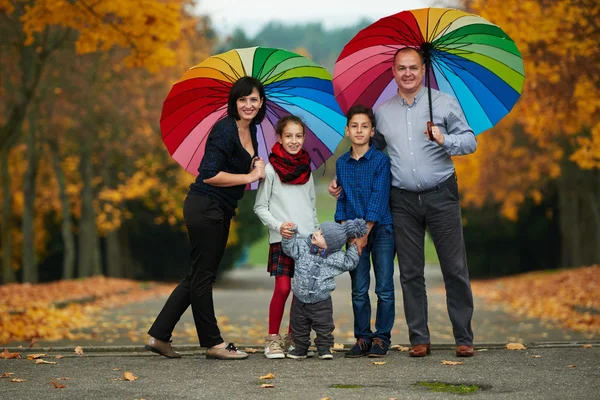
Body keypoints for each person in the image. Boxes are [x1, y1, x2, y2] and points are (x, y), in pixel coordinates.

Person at [329, 47, 478, 358]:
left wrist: (444, 139)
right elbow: (369, 157)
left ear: (423, 70)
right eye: (401, 68)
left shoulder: (443, 104)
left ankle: (463, 337)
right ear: (393, 72)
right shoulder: (382, 113)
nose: (407, 73)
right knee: (410, 272)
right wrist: (343, 184)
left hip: (442, 194)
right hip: (402, 199)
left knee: (455, 268)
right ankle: (419, 338)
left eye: (413, 67)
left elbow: (470, 141)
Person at [145, 76, 267, 360]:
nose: (248, 105)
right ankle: (213, 344)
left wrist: (255, 162)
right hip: (205, 206)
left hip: (220, 209)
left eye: (253, 99)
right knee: (204, 277)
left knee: (196, 275)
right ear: (234, 102)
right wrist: (249, 175)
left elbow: (240, 163)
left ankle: (158, 336)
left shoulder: (253, 129)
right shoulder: (225, 129)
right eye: (242, 99)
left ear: (261, 102)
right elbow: (210, 173)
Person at [253, 115, 319, 359]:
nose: (294, 141)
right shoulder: (270, 171)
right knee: (282, 288)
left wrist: (316, 235)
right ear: (279, 138)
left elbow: (311, 207)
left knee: (301, 292)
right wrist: (278, 226)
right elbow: (260, 207)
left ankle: (294, 339)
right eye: (288, 136)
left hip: (305, 242)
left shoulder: (307, 171)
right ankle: (272, 339)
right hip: (282, 240)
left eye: (298, 136)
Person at [334, 105, 395, 358]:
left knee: (384, 287)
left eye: (365, 126)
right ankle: (362, 337)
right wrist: (344, 231)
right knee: (359, 288)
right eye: (355, 126)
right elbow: (342, 202)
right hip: (353, 234)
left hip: (380, 230)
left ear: (372, 131)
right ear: (347, 131)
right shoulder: (341, 163)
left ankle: (382, 337)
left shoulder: (381, 160)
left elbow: (379, 197)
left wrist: (364, 231)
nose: (359, 130)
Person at [282, 218, 367, 360]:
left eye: (321, 235)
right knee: (299, 326)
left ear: (330, 245)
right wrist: (290, 234)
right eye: (318, 230)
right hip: (299, 298)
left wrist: (353, 247)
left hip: (321, 301)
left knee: (324, 326)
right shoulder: (303, 247)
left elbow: (350, 262)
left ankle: (324, 348)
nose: (316, 233)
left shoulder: (336, 257)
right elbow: (289, 248)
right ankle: (300, 349)